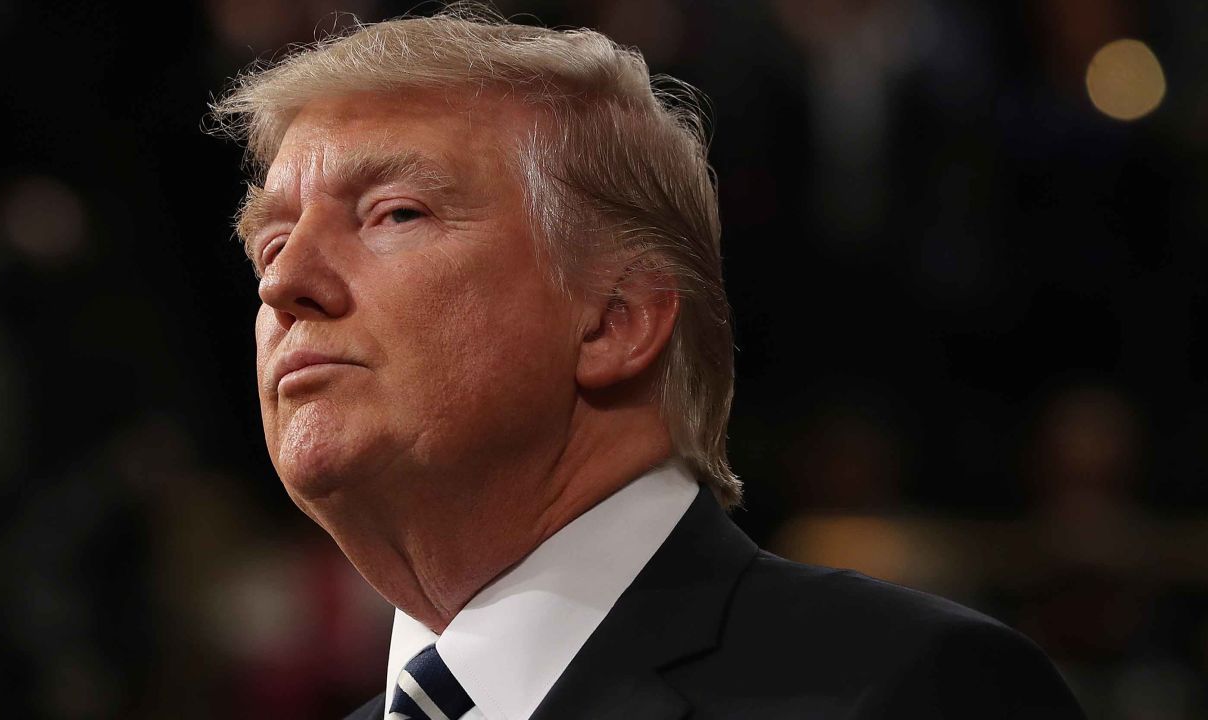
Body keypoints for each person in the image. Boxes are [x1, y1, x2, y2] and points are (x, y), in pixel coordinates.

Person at [209, 7, 1085, 719]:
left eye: (394, 214)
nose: (286, 281)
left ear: (616, 323)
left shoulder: (905, 691)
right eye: (272, 241)